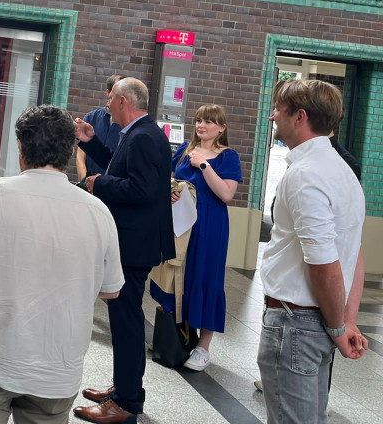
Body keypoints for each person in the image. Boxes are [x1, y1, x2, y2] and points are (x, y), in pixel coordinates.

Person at [0, 105, 124, 424]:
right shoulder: (97, 211)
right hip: (57, 370)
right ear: (70, 150)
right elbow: (111, 291)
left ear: (21, 147)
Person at [257, 79, 367, 424]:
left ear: (300, 116)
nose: (273, 117)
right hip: (316, 322)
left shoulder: (306, 174)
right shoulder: (341, 171)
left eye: (278, 110)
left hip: (296, 324)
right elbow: (355, 254)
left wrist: (338, 327)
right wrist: (344, 321)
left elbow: (326, 264)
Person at [72, 77, 174, 424]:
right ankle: (123, 389)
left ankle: (126, 403)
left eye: (111, 101)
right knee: (123, 321)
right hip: (134, 242)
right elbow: (121, 165)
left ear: (123, 102)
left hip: (134, 245)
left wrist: (98, 183)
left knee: (127, 324)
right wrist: (92, 142)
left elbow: (141, 189)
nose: (107, 106)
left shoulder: (144, 136)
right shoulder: (141, 132)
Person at [150, 104, 241, 372]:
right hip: (181, 220)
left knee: (205, 278)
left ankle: (203, 347)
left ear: (221, 127)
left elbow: (226, 194)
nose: (202, 125)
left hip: (210, 224)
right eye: (199, 120)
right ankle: (176, 337)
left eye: (209, 122)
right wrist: (171, 191)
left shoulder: (228, 157)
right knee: (178, 274)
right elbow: (169, 178)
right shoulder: (184, 150)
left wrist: (203, 165)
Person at [75, 74, 123, 181]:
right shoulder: (91, 117)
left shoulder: (126, 124)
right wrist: (84, 182)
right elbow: (80, 156)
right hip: (88, 185)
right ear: (108, 93)